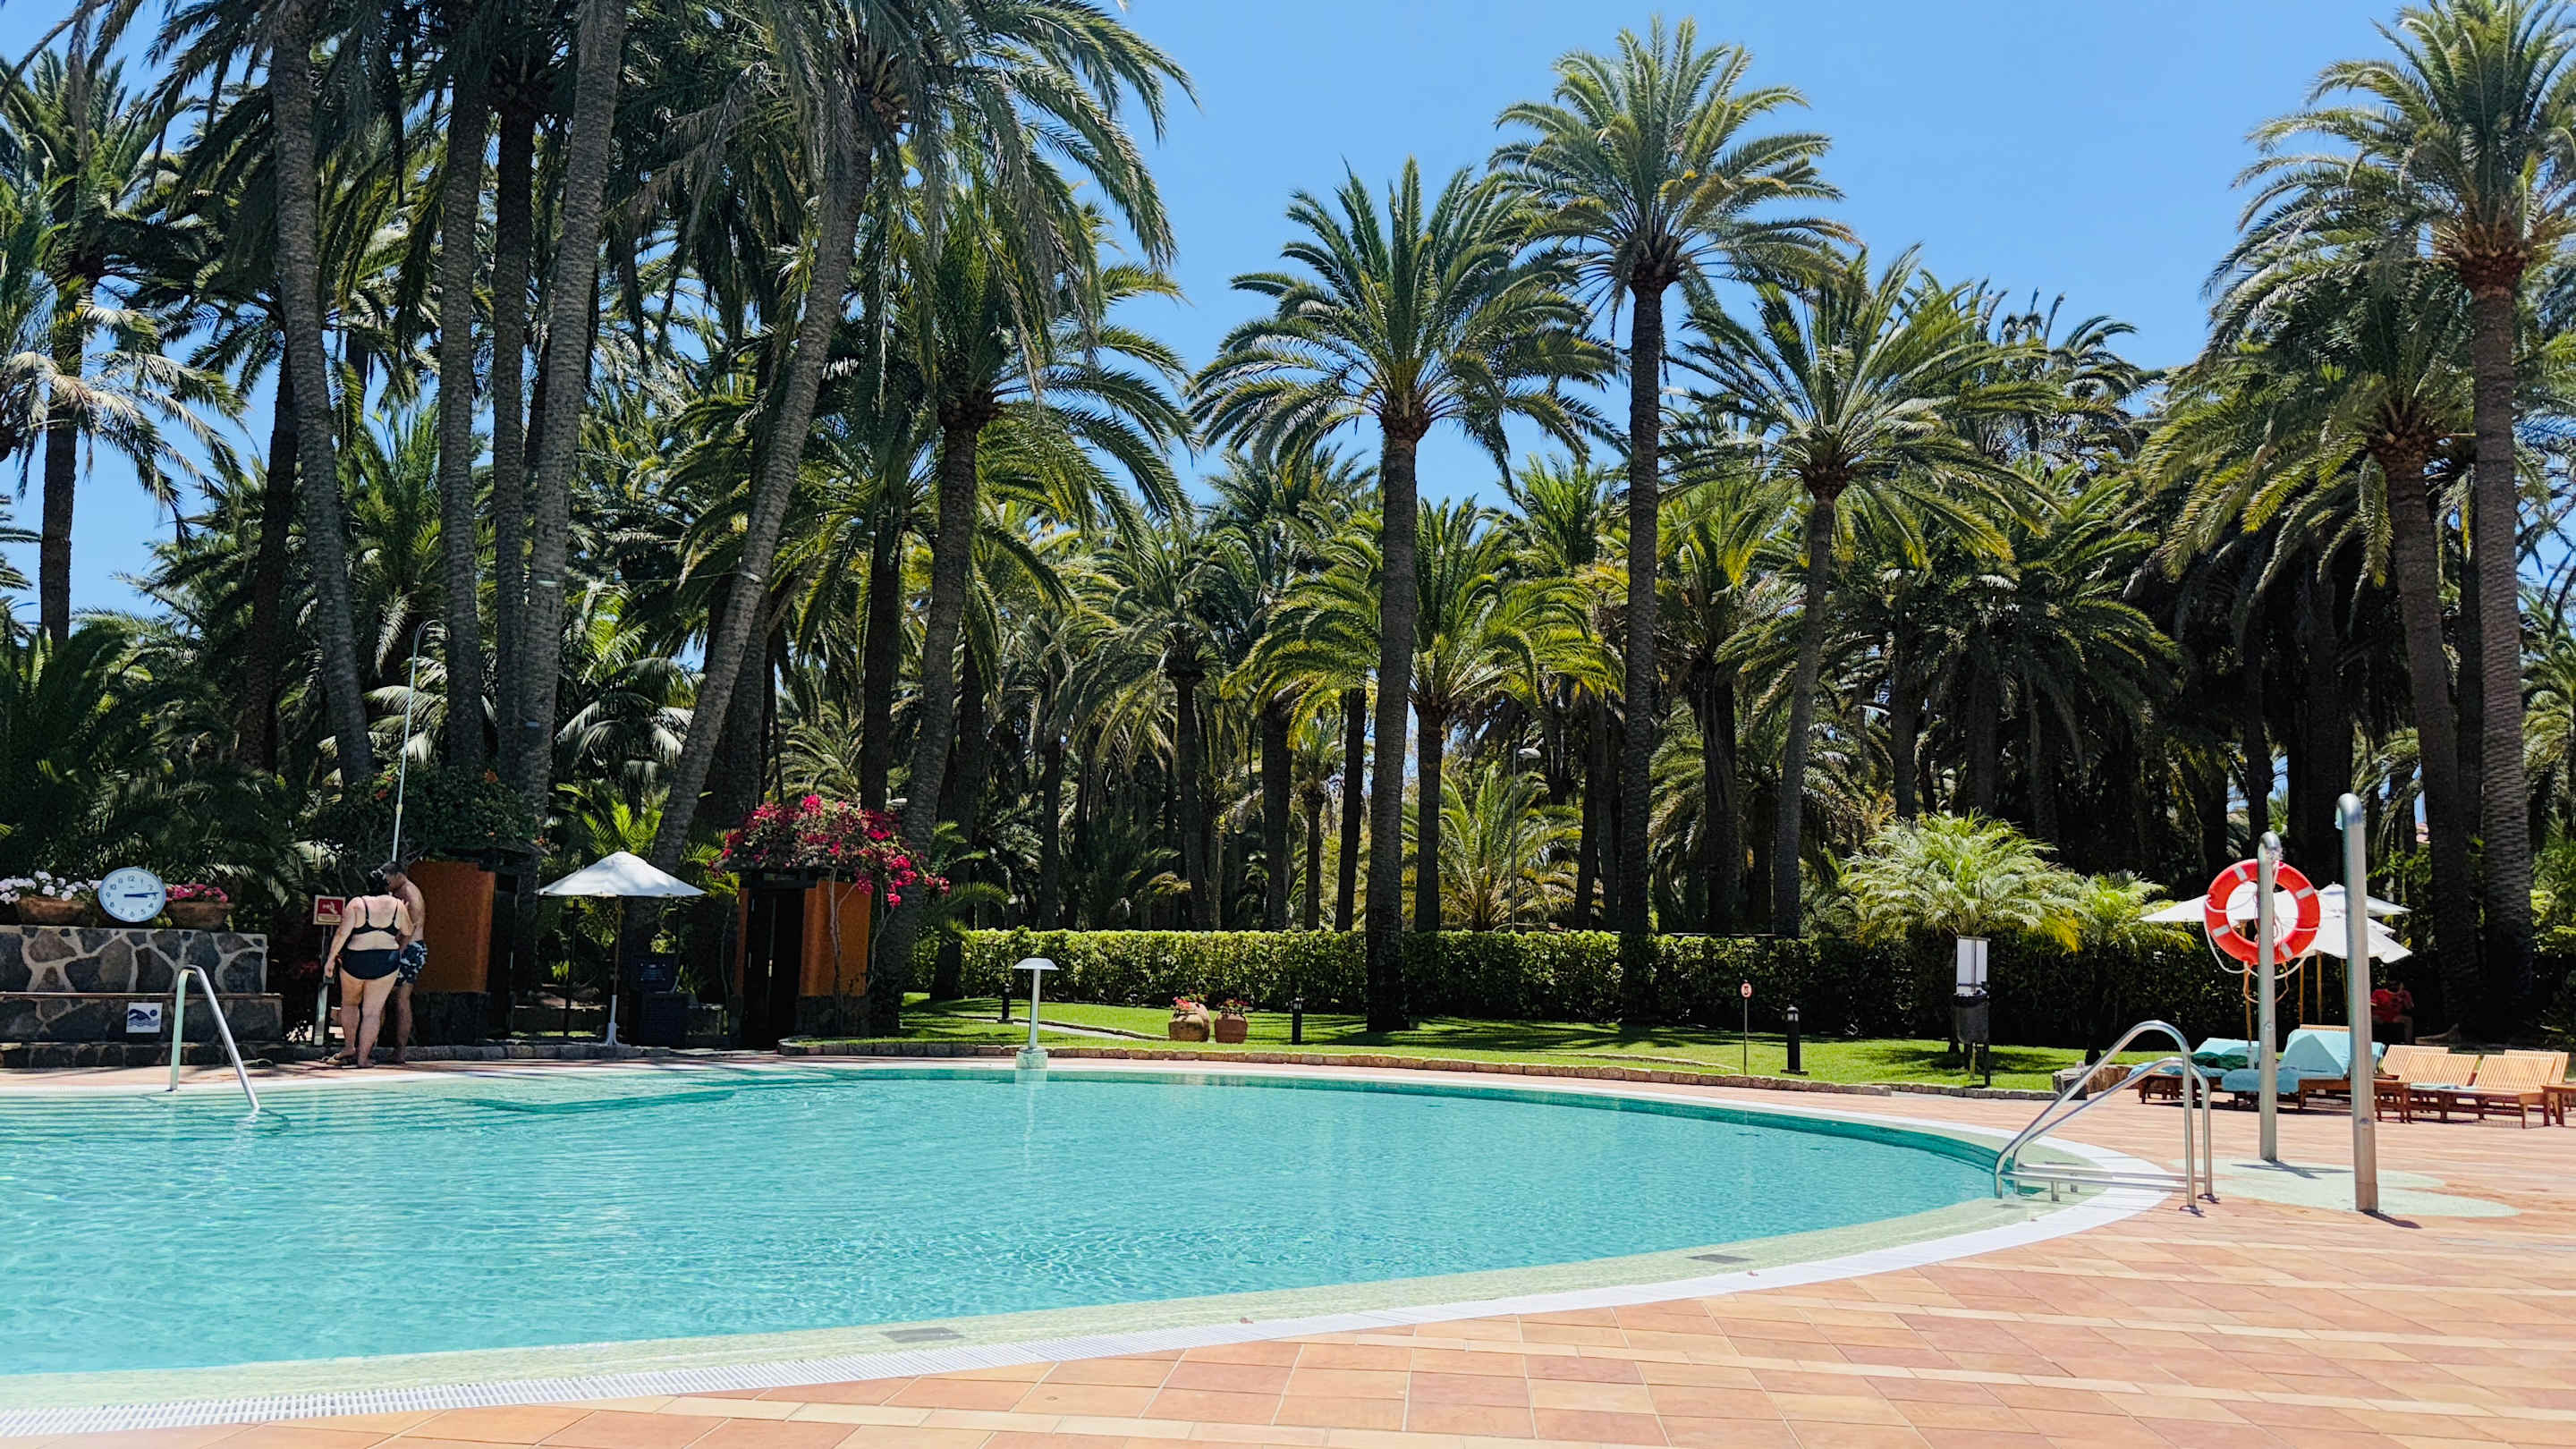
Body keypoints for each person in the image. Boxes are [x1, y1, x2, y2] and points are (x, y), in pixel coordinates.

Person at [322, 870, 412, 1068]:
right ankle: (363, 1059)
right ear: (386, 885)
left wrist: (330, 960)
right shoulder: (398, 905)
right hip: (386, 961)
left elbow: (341, 934)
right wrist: (403, 912)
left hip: (356, 960)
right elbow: (407, 930)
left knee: (350, 1003)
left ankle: (349, 1047)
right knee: (372, 1012)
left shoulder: (357, 904)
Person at [382, 860, 429, 1065]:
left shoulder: (409, 892)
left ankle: (398, 1049)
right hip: (407, 948)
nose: (386, 884)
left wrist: (397, 953)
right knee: (393, 999)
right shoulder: (399, 892)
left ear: (398, 875)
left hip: (408, 949)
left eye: (388, 880)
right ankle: (391, 1048)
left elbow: (410, 927)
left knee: (392, 998)